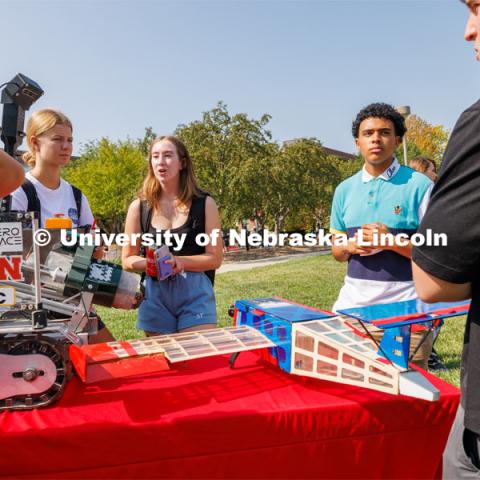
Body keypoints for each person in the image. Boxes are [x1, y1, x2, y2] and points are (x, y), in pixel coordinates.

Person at [412, 1, 480, 476]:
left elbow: (435, 281)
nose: (467, 31)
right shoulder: (345, 191)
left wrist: (402, 245)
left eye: (477, 8)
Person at [330, 102, 434, 369]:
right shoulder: (344, 190)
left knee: (409, 404)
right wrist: (350, 246)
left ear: (398, 140)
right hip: (351, 315)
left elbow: (436, 250)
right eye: (368, 133)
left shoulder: (420, 185)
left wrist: (391, 241)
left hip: (407, 315)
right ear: (357, 142)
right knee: (354, 399)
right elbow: (337, 251)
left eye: (384, 132)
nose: (376, 139)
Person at [8, 108, 114, 343]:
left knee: (111, 355)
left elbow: (95, 246)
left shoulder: (76, 195)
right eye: (57, 139)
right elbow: (11, 257)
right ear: (34, 143)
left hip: (73, 301)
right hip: (30, 306)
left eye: (69, 140)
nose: (66, 146)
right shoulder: (20, 192)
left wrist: (93, 249)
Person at [122, 135, 223, 335]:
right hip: (154, 295)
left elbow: (215, 258)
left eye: (168, 156)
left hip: (195, 293)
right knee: (165, 361)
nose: (161, 161)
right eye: (155, 156)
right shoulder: (139, 207)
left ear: (182, 163)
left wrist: (178, 261)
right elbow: (127, 259)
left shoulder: (205, 204)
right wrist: (152, 264)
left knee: (197, 358)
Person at [408, 156, 446, 371]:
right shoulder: (424, 192)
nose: (436, 174)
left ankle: (429, 353)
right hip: (418, 267)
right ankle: (428, 353)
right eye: (432, 170)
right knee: (430, 314)